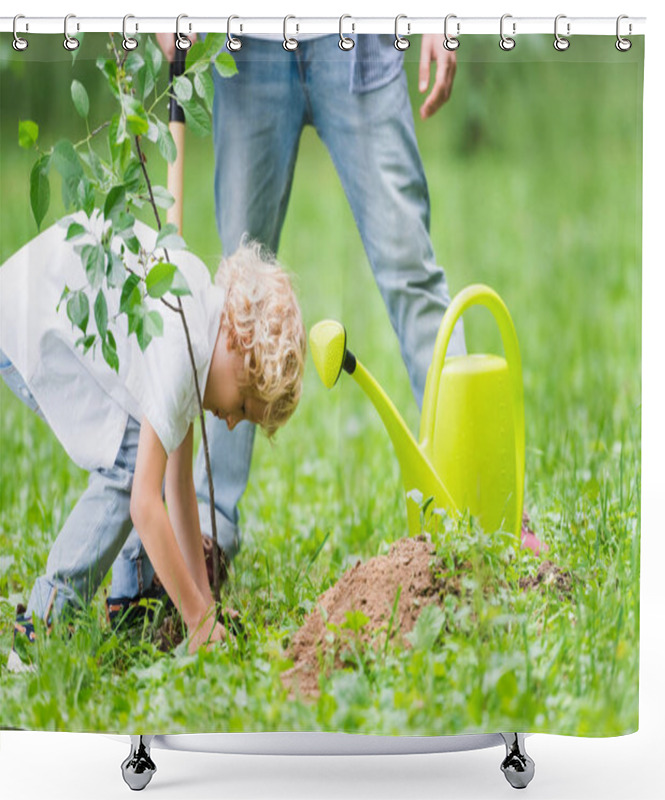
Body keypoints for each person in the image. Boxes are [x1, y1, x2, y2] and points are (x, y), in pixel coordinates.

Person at [108, 32, 466, 610]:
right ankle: (205, 535)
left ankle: (470, 496)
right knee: (232, 314)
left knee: (412, 271)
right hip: (249, 47)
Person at [0, 213, 306, 662]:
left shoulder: (197, 316)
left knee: (142, 453)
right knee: (129, 462)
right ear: (239, 339)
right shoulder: (183, 350)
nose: (233, 423)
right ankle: (46, 618)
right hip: (30, 325)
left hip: (32, 307)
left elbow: (179, 489)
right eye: (244, 405)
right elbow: (145, 504)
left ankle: (129, 600)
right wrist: (198, 622)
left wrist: (205, 608)